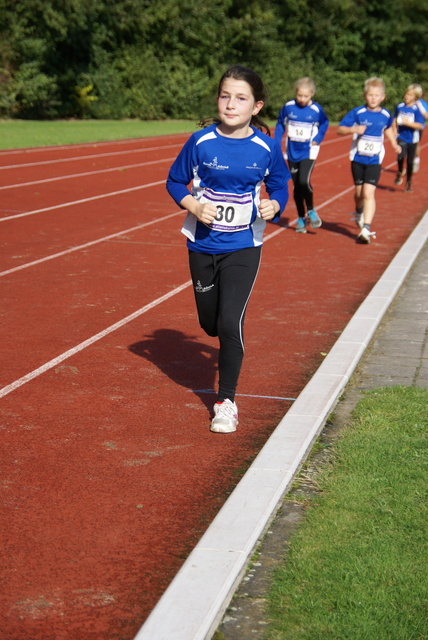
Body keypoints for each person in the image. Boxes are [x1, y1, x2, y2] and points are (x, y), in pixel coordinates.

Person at [166, 65, 290, 433]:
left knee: (229, 322)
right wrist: (193, 205)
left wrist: (275, 205)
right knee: (209, 324)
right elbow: (174, 181)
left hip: (243, 245)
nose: (230, 103)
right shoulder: (201, 141)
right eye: (225, 95)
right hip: (202, 245)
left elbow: (280, 185)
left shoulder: (265, 147)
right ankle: (215, 333)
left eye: (240, 98)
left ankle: (227, 401)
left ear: (256, 106)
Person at [337, 77, 401, 244]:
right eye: (370, 95)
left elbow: (387, 129)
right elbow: (340, 129)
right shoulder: (358, 113)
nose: (373, 98)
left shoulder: (386, 114)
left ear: (382, 97)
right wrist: (353, 129)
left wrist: (394, 144)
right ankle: (359, 211)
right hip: (357, 158)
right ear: (365, 95)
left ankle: (366, 228)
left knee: (368, 193)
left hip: (374, 159)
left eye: (376, 95)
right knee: (359, 194)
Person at [274, 77, 329, 233]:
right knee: (297, 186)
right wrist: (277, 143)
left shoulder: (316, 110)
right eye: (300, 96)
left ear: (312, 94)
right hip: (292, 151)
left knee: (304, 181)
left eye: (306, 96)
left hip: (309, 151)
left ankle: (311, 210)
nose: (302, 99)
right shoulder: (288, 107)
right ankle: (301, 218)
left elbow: (324, 123)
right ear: (296, 93)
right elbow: (279, 124)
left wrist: (318, 139)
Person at [392, 84, 425, 192]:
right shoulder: (400, 106)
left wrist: (409, 123)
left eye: (410, 95)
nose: (407, 96)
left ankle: (409, 181)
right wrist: (394, 129)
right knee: (400, 156)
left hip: (413, 138)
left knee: (410, 161)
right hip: (401, 136)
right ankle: (400, 171)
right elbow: (394, 118)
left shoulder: (417, 109)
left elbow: (420, 125)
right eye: (406, 94)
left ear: (415, 97)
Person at [413, 84, 428, 173]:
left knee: (415, 145)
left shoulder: (422, 103)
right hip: (406, 127)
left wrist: (420, 108)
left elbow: (426, 116)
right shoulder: (408, 101)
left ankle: (416, 160)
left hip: (417, 128)